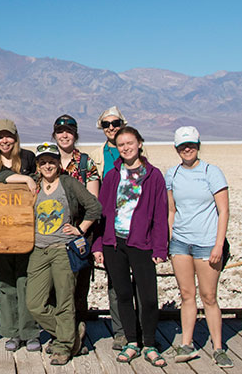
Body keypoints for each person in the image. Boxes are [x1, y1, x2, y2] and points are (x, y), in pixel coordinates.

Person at [3, 143, 102, 365]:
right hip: (38, 250)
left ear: (59, 164)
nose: (48, 165)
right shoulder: (35, 185)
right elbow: (1, 175)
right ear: (37, 165)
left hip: (62, 250)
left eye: (52, 161)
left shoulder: (68, 183)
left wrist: (80, 229)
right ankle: (71, 334)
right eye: (43, 162)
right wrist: (26, 179)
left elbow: (94, 207)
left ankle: (64, 347)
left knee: (65, 300)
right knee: (34, 303)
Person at [93, 126, 168, 367]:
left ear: (139, 144)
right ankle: (131, 341)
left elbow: (159, 214)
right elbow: (102, 210)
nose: (125, 148)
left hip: (141, 243)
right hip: (114, 243)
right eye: (121, 144)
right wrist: (98, 244)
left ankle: (149, 343)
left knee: (148, 297)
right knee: (123, 294)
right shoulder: (113, 174)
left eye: (129, 143)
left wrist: (160, 248)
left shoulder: (153, 175)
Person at [166, 126, 233, 368]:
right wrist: (170, 238)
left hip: (207, 244)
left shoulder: (211, 172)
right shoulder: (171, 174)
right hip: (181, 244)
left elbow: (223, 211)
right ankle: (186, 343)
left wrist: (218, 245)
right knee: (186, 295)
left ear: (198, 145)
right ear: (176, 148)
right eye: (182, 146)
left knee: (209, 296)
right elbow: (172, 210)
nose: (187, 149)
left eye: (191, 145)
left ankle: (217, 347)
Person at [0, 119, 40, 352]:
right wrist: (22, 179)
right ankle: (11, 332)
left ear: (15, 138)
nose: (4, 141)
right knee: (6, 283)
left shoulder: (28, 157)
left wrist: (28, 178)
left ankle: (29, 331)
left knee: (26, 281)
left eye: (9, 136)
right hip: (0, 231)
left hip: (26, 229)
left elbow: (38, 181)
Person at [51, 115, 102, 323]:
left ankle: (79, 333)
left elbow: (93, 202)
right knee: (54, 286)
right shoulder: (46, 161)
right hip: (53, 232)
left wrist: (81, 229)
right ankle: (59, 334)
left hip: (79, 232)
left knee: (79, 287)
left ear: (76, 135)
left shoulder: (84, 163)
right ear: (54, 135)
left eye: (69, 131)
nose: (65, 135)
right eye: (61, 131)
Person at [87, 106, 130, 348]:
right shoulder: (96, 155)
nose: (111, 127)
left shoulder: (137, 151)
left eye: (115, 123)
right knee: (116, 281)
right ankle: (121, 331)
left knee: (141, 281)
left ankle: (141, 329)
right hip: (109, 226)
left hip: (135, 225)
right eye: (106, 124)